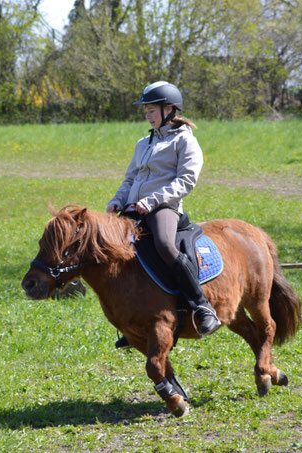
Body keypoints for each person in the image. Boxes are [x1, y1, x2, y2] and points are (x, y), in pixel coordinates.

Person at [107, 81, 221, 347]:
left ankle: (202, 307)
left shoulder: (185, 141)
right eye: (146, 111)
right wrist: (116, 200)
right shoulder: (142, 143)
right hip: (134, 207)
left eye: (152, 110)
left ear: (169, 110)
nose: (148, 116)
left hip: (164, 207)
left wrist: (153, 200)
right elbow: (130, 179)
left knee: (165, 246)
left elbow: (187, 180)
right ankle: (135, 317)